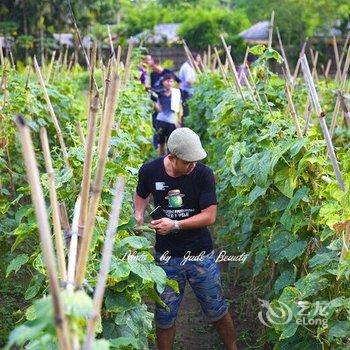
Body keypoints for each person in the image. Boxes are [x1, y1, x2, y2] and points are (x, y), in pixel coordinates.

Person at [134, 127, 238, 350]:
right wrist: (139, 214)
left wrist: (175, 224)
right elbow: (141, 194)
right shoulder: (149, 171)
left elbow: (210, 216)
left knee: (217, 310)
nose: (192, 166)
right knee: (164, 317)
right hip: (166, 258)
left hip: (200, 254)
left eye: (195, 161)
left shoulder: (203, 174)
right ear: (171, 157)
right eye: (187, 162)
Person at [154, 73, 181, 156]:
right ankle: (161, 161)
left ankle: (170, 161)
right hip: (161, 121)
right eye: (167, 81)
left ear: (173, 83)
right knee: (161, 143)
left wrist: (179, 121)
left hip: (172, 122)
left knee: (171, 144)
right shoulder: (159, 94)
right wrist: (154, 101)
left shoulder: (176, 93)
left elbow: (179, 108)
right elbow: (159, 109)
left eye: (171, 81)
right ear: (163, 82)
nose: (169, 83)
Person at [179, 52, 201, 124]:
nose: (198, 64)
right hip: (186, 92)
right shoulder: (187, 68)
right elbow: (189, 81)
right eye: (197, 61)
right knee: (187, 111)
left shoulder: (189, 67)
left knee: (188, 110)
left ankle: (185, 126)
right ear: (192, 60)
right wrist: (199, 82)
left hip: (188, 92)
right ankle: (184, 127)